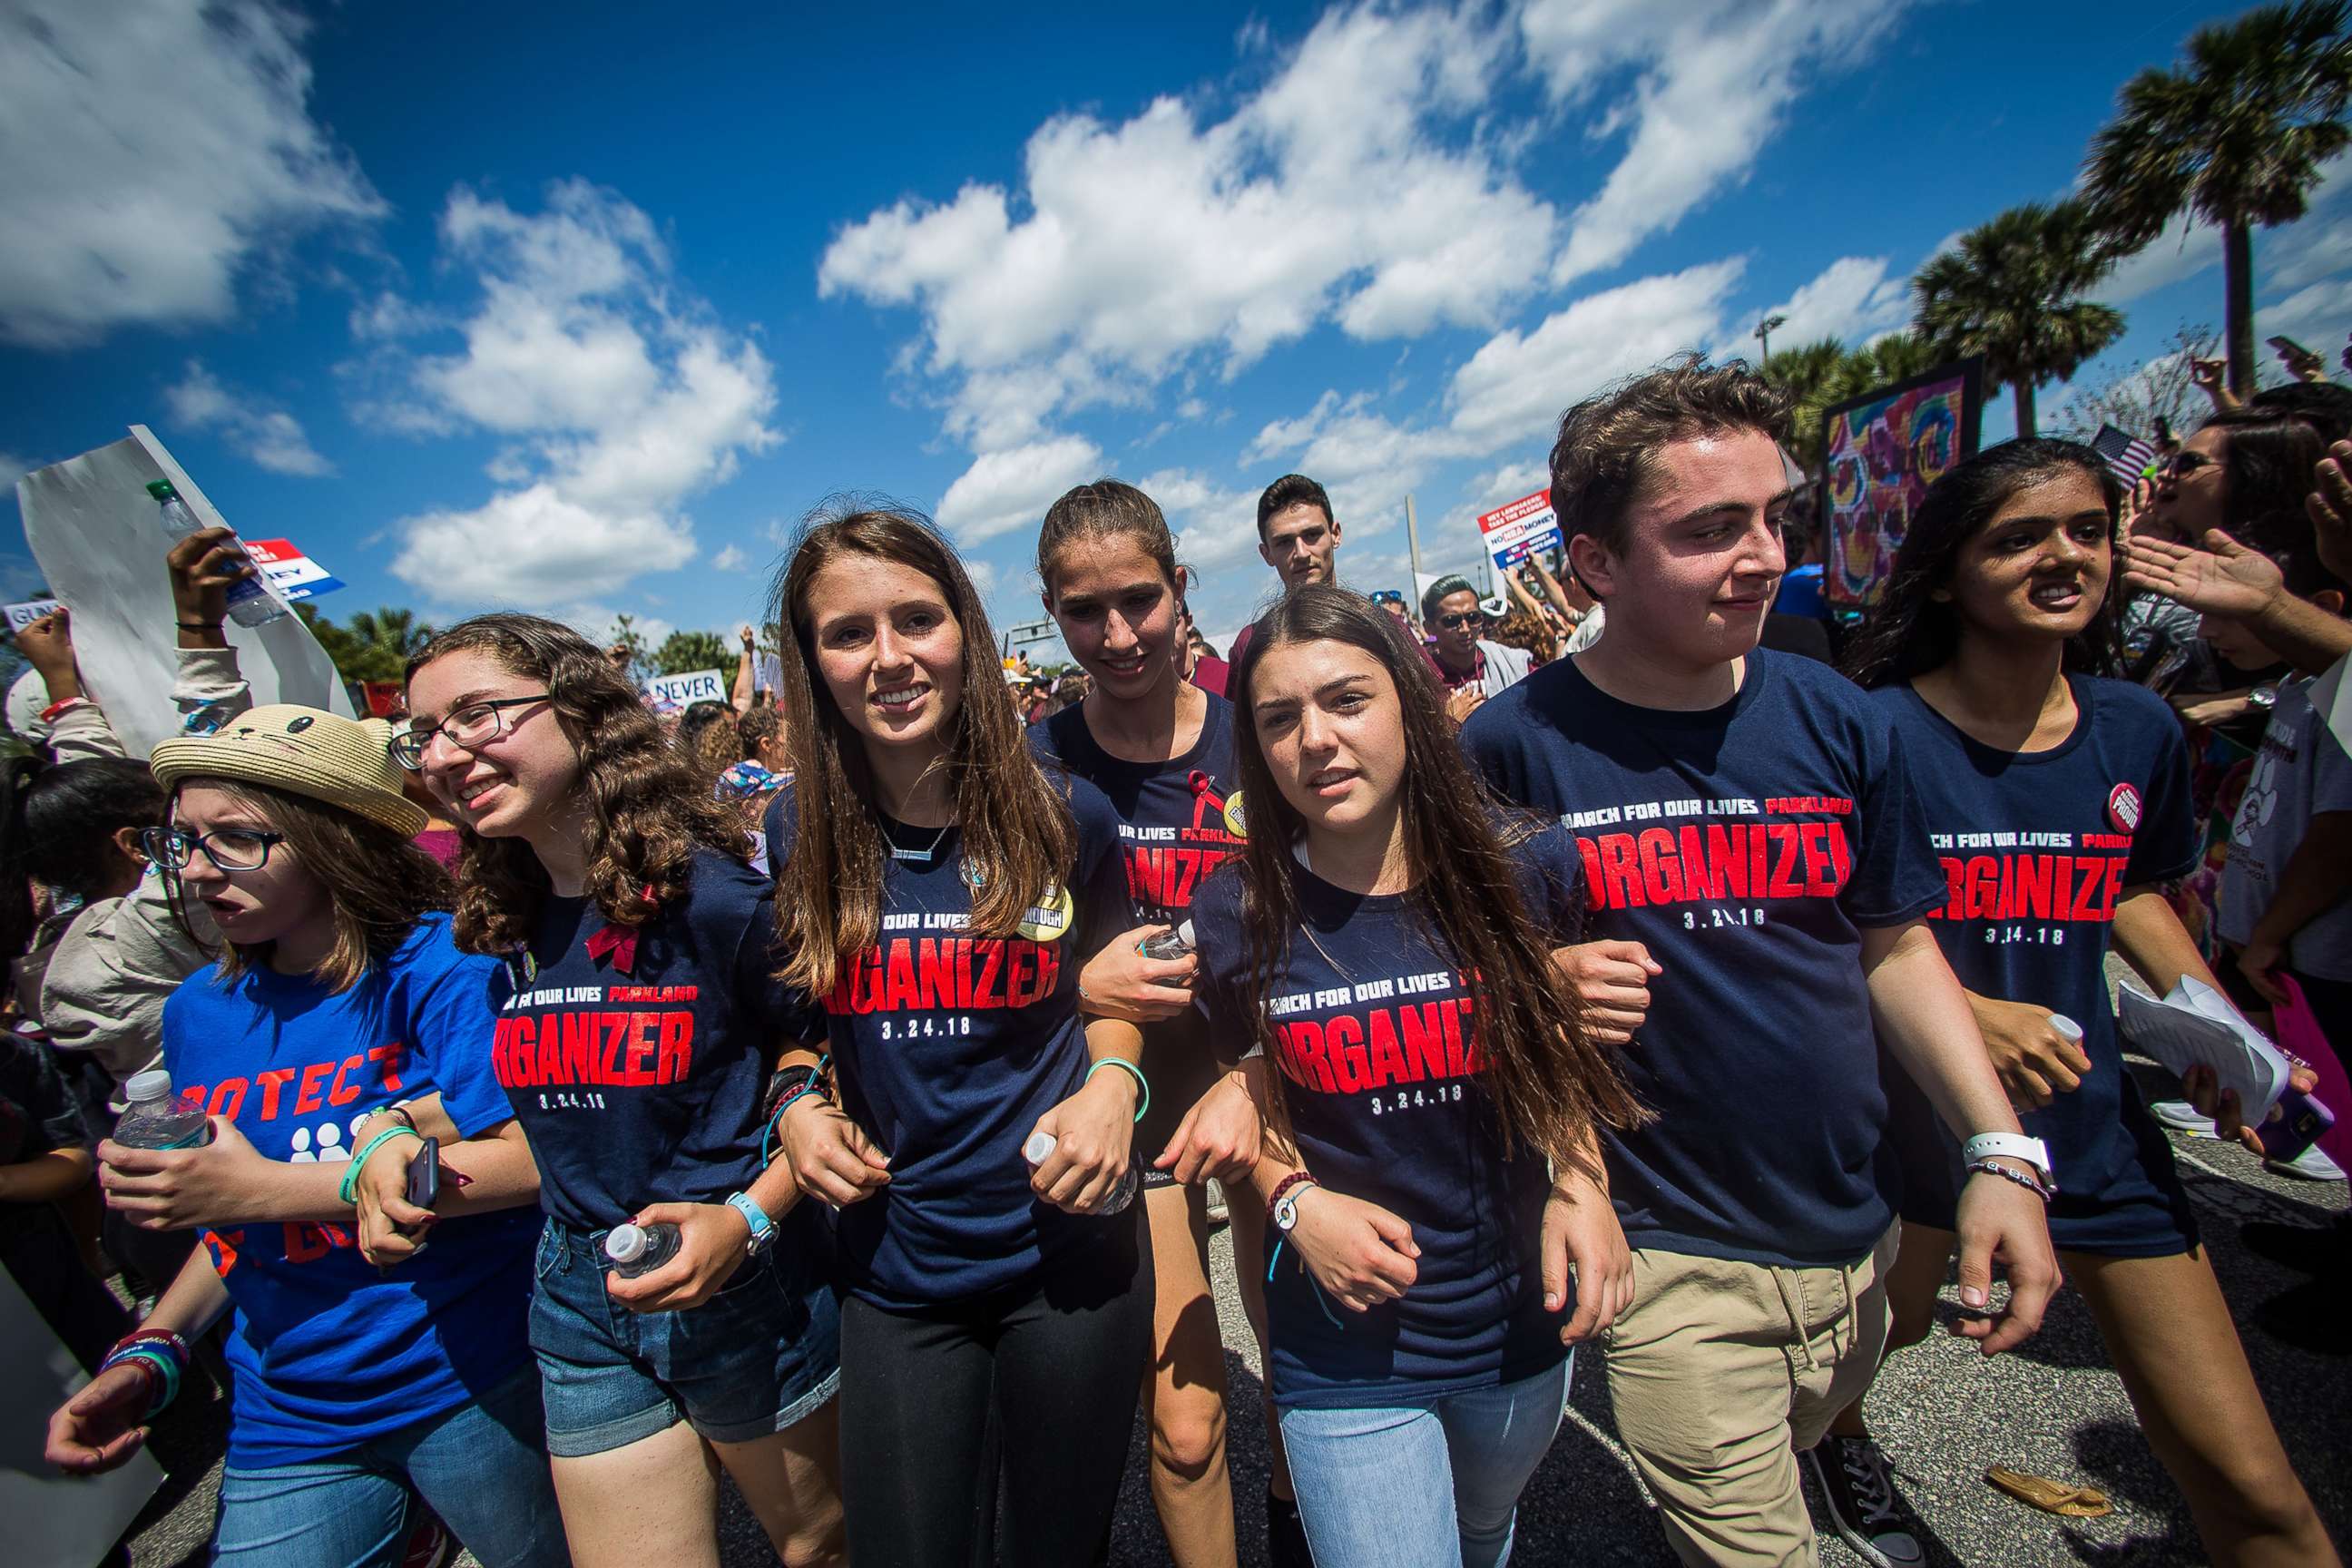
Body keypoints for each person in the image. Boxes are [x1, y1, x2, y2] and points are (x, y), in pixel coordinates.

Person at [1461, 359, 2059, 1568]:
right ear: (1595, 564)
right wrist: (1532, 993)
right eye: (1710, 529)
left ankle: (1832, 1434)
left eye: (1774, 517)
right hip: (1668, 1256)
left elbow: (1892, 942)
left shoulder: (1842, 719)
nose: (1762, 553)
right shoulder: (1506, 751)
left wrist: (2000, 1152)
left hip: (1856, 1231)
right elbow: (1447, 976)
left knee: (1812, 1426)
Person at [1828, 437, 2339, 1568]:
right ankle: (1843, 1440)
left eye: (2088, 531)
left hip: (2096, 1133)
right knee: (1870, 1350)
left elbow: (2133, 892)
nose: (2065, 556)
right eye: (2020, 537)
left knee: (2256, 1488)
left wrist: (2219, 1027)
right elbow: (1828, 930)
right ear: (1949, 569)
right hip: (1916, 1139)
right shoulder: (1874, 735)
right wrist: (1970, 1013)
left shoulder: (2138, 728)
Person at [46, 701, 566, 1568]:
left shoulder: (443, 964)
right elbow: (233, 1233)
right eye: (181, 841)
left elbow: (534, 1158)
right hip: (288, 1411)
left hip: (472, 1378)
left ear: (335, 838)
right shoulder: (195, 1014)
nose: (202, 870)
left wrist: (267, 1189)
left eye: (236, 839)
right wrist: (154, 1351)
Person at [1190, 584, 1642, 1568]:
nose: (1316, 739)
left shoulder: (1529, 866)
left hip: (1518, 1320)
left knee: (1483, 1532)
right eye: (1279, 718)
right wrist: (1293, 1205)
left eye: (1347, 700)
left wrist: (1584, 1183)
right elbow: (1254, 1087)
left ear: (1408, 701)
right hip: (1344, 1343)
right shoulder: (1237, 907)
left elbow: (1559, 1062)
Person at [403, 614, 845, 1568]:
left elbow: (827, 1059)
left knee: (820, 1546)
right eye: (424, 733)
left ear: (584, 714)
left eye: (476, 716)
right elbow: (562, 1087)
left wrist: (751, 1219)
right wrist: (396, 1130)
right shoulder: (501, 924)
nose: (444, 753)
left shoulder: (718, 901)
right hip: (573, 1294)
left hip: (740, 1281)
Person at [762, 505, 1152, 1567]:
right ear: (811, 661)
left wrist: (1115, 1089)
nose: (889, 657)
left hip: (1070, 1259)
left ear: (966, 633)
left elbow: (1112, 995)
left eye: (917, 620)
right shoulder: (797, 828)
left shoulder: (1069, 813)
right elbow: (795, 1026)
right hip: (897, 1271)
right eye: (848, 633)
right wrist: (796, 1113)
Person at [1030, 479, 1262, 1568]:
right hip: (1135, 1108)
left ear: (1181, 588)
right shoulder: (1035, 767)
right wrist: (1086, 983)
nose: (1117, 635)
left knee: (1321, 1370)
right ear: (1052, 613)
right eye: (1085, 611)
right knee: (1184, 1428)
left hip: (1276, 1085)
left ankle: (1311, 1515)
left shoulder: (1262, 729)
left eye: (1140, 599)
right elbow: (993, 968)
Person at [1420, 573, 1533, 722]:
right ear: (1429, 628)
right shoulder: (1423, 682)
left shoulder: (1512, 662)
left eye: (1473, 617)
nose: (1465, 629)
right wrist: (1447, 723)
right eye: (1451, 621)